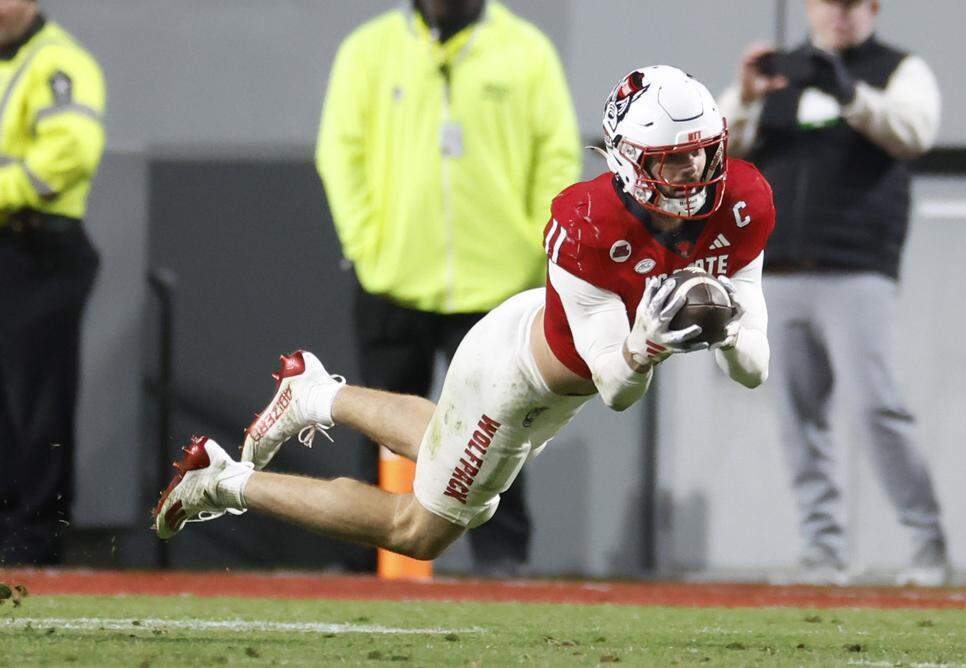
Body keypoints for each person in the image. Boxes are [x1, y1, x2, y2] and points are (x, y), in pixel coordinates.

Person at [153, 66, 776, 569]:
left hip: (547, 370)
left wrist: (726, 333)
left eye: (701, 153)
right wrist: (647, 347)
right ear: (629, 160)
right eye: (672, 160)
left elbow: (754, 368)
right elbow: (616, 387)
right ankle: (222, 482)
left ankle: (315, 394)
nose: (692, 174)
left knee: (439, 444)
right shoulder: (588, 224)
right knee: (417, 531)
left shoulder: (742, 202)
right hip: (516, 382)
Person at [312, 0, 581, 576]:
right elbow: (340, 152)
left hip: (498, 283)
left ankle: (503, 561)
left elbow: (557, 155)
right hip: (394, 279)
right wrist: (368, 247)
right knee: (378, 421)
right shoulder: (368, 50)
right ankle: (366, 562)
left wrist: (536, 247)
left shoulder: (526, 50)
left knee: (505, 428)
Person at [717, 0, 946, 585]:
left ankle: (927, 546)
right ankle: (823, 552)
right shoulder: (779, 73)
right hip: (781, 271)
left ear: (871, 9)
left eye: (851, 5)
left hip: (857, 267)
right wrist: (745, 93)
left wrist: (851, 95)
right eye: (829, 4)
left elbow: (915, 133)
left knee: (876, 407)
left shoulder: (898, 69)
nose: (840, 16)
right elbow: (714, 154)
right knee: (799, 418)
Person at [0, 0, 105, 565]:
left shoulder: (59, 61)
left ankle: (34, 543)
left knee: (35, 405)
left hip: (37, 250)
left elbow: (69, 154)